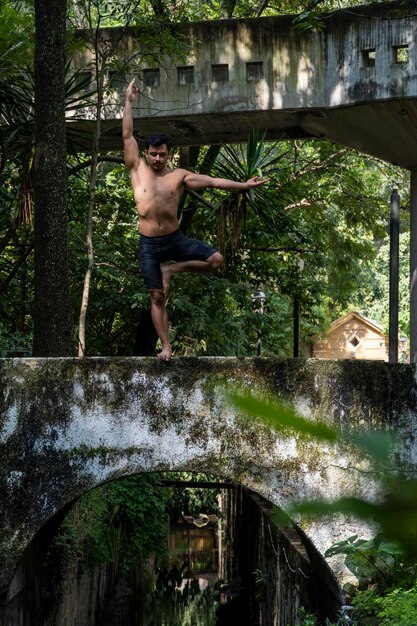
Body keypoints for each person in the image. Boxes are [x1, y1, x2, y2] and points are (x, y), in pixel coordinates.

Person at [123, 78, 268, 361]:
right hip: (149, 245)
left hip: (175, 241)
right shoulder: (136, 168)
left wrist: (244, 185)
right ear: (147, 154)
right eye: (152, 154)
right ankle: (166, 346)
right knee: (156, 297)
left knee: (216, 260)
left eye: (161, 155)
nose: (156, 159)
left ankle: (171, 271)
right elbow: (128, 136)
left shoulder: (179, 176)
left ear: (169, 154)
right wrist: (128, 101)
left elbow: (213, 181)